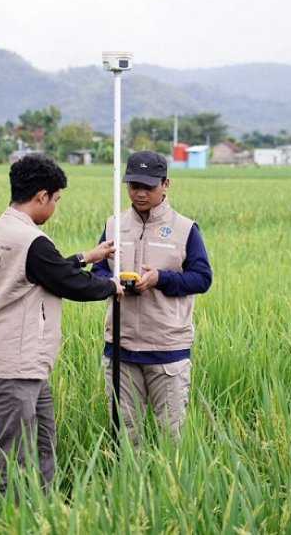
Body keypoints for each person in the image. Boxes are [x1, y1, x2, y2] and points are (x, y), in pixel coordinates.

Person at [0, 154, 123, 492]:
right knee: (9, 456)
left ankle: (41, 509)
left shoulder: (2, 230)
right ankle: (4, 519)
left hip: (19, 361)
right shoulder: (32, 241)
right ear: (42, 196)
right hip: (13, 362)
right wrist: (112, 286)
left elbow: (44, 270)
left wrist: (87, 256)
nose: (54, 206)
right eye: (55, 199)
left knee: (42, 441)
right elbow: (71, 284)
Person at [92, 150, 212, 444]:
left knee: (171, 437)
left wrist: (161, 279)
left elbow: (202, 278)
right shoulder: (113, 225)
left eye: (148, 186)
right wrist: (111, 282)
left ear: (165, 184)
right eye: (134, 186)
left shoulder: (185, 229)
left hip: (167, 349)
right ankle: (125, 487)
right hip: (121, 348)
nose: (140, 193)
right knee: (124, 437)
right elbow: (96, 271)